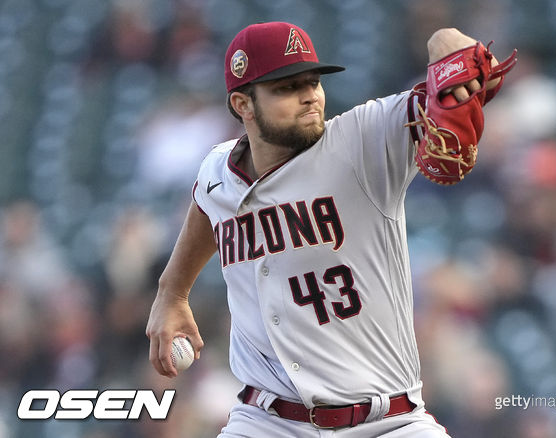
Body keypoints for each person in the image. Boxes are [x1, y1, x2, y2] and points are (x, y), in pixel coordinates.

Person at [146, 21, 510, 437]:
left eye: (313, 82)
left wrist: (445, 44)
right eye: (286, 87)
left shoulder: (365, 139)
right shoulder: (218, 169)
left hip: (389, 421)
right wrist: (171, 292)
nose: (309, 97)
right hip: (266, 422)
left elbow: (471, 61)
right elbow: (206, 204)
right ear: (243, 103)